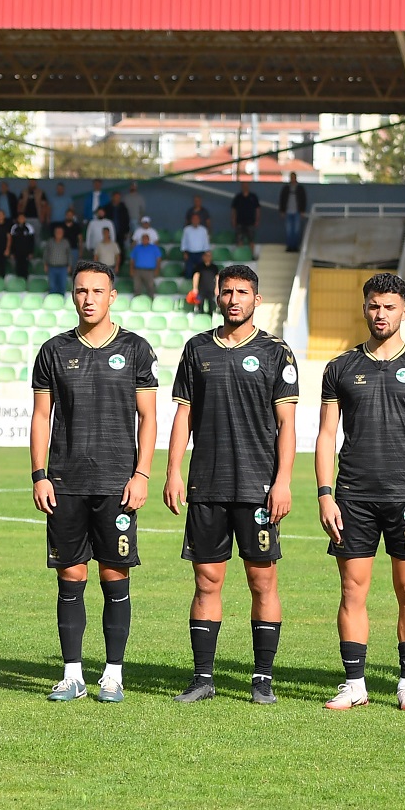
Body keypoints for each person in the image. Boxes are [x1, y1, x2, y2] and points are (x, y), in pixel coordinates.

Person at [164, 264, 299, 704]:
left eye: (243, 292)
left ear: (257, 300)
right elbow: (183, 416)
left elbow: (287, 424)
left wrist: (283, 482)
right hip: (207, 484)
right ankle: (203, 677)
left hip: (259, 488)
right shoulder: (197, 348)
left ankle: (262, 679)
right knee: (206, 582)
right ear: (217, 297)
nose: (234, 299)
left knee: (263, 582)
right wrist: (172, 472)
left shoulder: (278, 353)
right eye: (227, 292)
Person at [316, 271, 405, 713]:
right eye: (374, 305)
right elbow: (325, 435)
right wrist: (324, 493)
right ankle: (354, 683)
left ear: (404, 311)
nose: (380, 314)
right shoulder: (340, 368)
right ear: (364, 307)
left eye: (389, 307)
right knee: (352, 590)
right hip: (352, 497)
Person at [31, 261, 159, 702]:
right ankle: (71, 675)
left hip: (118, 484)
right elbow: (40, 417)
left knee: (113, 575)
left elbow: (148, 417)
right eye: (81, 290)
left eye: (97, 291)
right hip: (65, 482)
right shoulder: (52, 350)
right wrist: (39, 475)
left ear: (112, 296)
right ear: (73, 295)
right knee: (70, 575)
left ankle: (113, 674)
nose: (88, 298)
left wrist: (142, 473)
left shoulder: (136, 349)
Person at [129, 217, 161, 298]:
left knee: (150, 288)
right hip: (138, 270)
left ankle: (151, 302)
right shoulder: (137, 248)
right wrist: (131, 269)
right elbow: (132, 259)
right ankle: (136, 303)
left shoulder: (154, 248)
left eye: (146, 238)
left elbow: (158, 259)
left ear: (149, 239)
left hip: (149, 271)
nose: (145, 240)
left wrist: (157, 269)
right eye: (143, 238)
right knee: (137, 288)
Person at [280, 173, 308, 251]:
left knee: (296, 230)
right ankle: (289, 246)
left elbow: (303, 199)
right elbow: (282, 199)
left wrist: (302, 210)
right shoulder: (286, 188)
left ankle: (295, 246)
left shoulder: (300, 188)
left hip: (297, 212)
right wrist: (282, 210)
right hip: (288, 211)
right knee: (289, 230)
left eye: (293, 177)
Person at [44, 223, 73, 297]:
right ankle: (52, 302)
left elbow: (69, 254)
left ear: (63, 233)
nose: (58, 233)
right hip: (52, 267)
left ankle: (60, 303)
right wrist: (45, 264)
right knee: (52, 286)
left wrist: (69, 265)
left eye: (60, 232)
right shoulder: (50, 242)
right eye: (57, 232)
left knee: (62, 286)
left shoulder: (66, 242)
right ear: (54, 233)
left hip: (63, 268)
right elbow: (46, 253)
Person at [9, 209, 38, 280]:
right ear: (17, 219)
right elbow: (11, 241)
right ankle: (19, 283)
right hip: (17, 252)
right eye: (19, 218)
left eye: (22, 218)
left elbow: (32, 241)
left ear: (25, 218)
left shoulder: (29, 227)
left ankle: (25, 282)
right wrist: (12, 252)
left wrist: (31, 252)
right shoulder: (14, 228)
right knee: (18, 267)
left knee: (25, 268)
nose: (21, 219)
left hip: (26, 252)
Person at [181, 210, 210, 279]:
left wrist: (206, 253)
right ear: (191, 220)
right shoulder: (186, 229)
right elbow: (184, 241)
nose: (195, 220)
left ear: (199, 220)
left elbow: (206, 242)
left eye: (196, 219)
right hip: (189, 253)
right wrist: (184, 252)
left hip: (201, 253)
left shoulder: (203, 230)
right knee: (189, 271)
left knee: (201, 272)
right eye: (193, 219)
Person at [231, 183, 261, 247]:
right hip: (240, 222)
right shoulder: (238, 197)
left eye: (246, 186)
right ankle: (240, 255)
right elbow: (234, 209)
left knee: (251, 240)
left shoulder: (253, 197)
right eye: (243, 186)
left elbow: (257, 209)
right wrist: (233, 219)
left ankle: (252, 255)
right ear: (241, 187)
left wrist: (257, 220)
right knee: (239, 239)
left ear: (248, 186)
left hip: (250, 222)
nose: (245, 187)